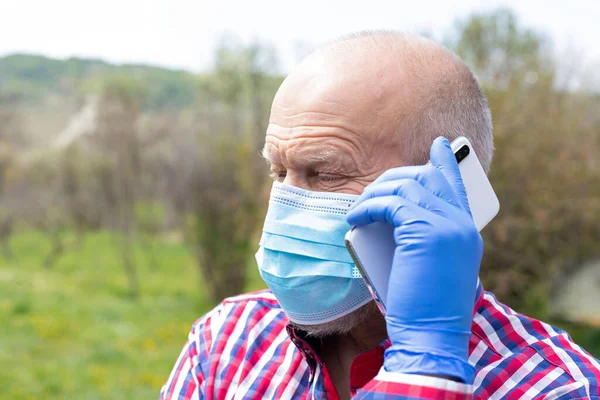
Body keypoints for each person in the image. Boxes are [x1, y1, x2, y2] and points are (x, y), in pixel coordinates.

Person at [160, 31, 600, 399]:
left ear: (447, 191)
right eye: (279, 171)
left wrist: (423, 369)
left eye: (326, 173)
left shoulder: (559, 388)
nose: (283, 207)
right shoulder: (226, 341)